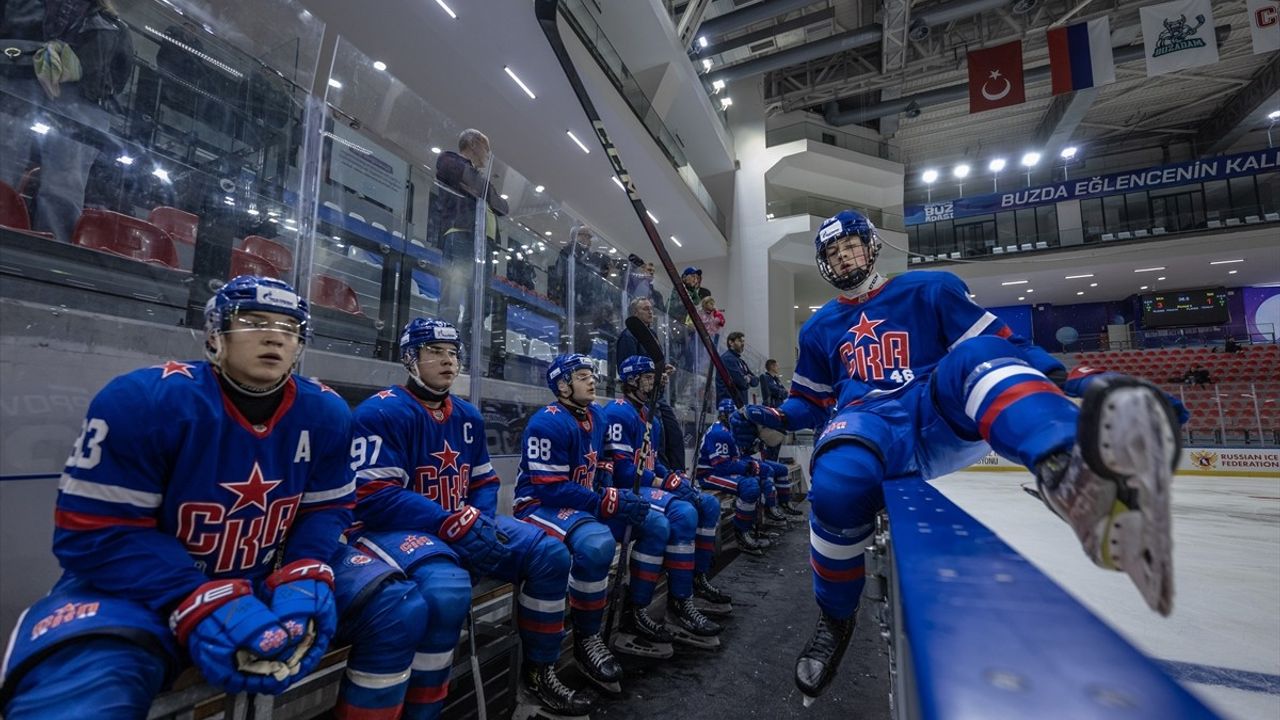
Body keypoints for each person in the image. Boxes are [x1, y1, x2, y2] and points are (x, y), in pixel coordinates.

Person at [737, 210, 1186, 702]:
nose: (843, 257)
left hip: (936, 406)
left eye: (850, 246)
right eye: (832, 252)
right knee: (837, 481)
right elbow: (811, 402)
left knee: (975, 357)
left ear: (871, 247)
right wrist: (779, 416)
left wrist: (1075, 379)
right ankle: (836, 617)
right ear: (824, 264)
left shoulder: (932, 288)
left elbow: (1006, 347)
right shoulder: (818, 328)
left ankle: (1070, 472)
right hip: (866, 422)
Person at [0, 276, 428, 720]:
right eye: (253, 321)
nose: (274, 336)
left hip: (266, 571)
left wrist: (306, 567)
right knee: (73, 698)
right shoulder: (144, 400)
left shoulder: (325, 411)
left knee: (398, 606)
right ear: (214, 333)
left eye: (290, 328)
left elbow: (327, 509)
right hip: (140, 590)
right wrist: (193, 593)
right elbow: (93, 532)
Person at [347, 318, 589, 717]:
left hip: (457, 521)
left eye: (453, 352)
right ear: (410, 358)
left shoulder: (467, 415)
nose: (448, 360)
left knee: (550, 554)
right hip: (393, 531)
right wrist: (450, 521)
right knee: (447, 592)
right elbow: (374, 497)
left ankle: (540, 670)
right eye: (434, 351)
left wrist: (476, 516)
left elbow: (485, 481)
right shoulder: (380, 412)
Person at [512, 354, 650, 696]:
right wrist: (606, 500)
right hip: (538, 506)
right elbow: (549, 487)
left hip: (577, 503)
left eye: (593, 374)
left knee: (651, 524)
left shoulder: (596, 416)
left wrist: (607, 488)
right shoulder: (547, 422)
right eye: (584, 376)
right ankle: (572, 646)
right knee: (595, 543)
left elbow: (601, 461)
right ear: (562, 385)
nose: (593, 381)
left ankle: (629, 616)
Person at [605, 355, 728, 637]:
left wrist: (673, 475)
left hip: (644, 484)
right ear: (632, 381)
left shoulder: (650, 416)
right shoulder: (617, 412)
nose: (656, 382)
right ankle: (673, 601)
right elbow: (625, 473)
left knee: (707, 503)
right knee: (683, 514)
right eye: (648, 377)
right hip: (626, 491)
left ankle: (696, 580)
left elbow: (651, 462)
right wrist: (663, 481)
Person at [0, 0, 133, 243]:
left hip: (78, 104)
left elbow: (116, 80)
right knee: (3, 160)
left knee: (64, 185)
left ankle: (52, 254)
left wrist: (74, 68)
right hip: (15, 85)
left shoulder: (115, 27)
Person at [428, 129, 509, 343]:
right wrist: (485, 191)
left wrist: (483, 191)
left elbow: (503, 207)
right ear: (473, 144)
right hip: (461, 236)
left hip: (483, 244)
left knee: (480, 303)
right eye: (486, 148)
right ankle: (443, 345)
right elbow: (480, 188)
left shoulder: (476, 176)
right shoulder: (448, 160)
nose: (488, 155)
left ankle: (462, 350)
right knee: (453, 296)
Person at [616, 296, 686, 473]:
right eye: (646, 309)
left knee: (674, 434)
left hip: (657, 393)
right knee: (658, 438)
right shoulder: (628, 336)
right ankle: (660, 479)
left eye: (651, 309)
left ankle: (678, 477)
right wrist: (654, 375)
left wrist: (661, 370)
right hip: (642, 396)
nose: (651, 312)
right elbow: (627, 369)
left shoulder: (652, 335)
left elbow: (652, 364)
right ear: (635, 312)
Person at [715, 331, 758, 404]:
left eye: (743, 341)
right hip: (730, 405)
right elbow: (742, 383)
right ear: (731, 342)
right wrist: (747, 379)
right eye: (740, 341)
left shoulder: (741, 361)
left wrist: (748, 378)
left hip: (740, 404)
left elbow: (756, 381)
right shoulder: (728, 359)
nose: (743, 344)